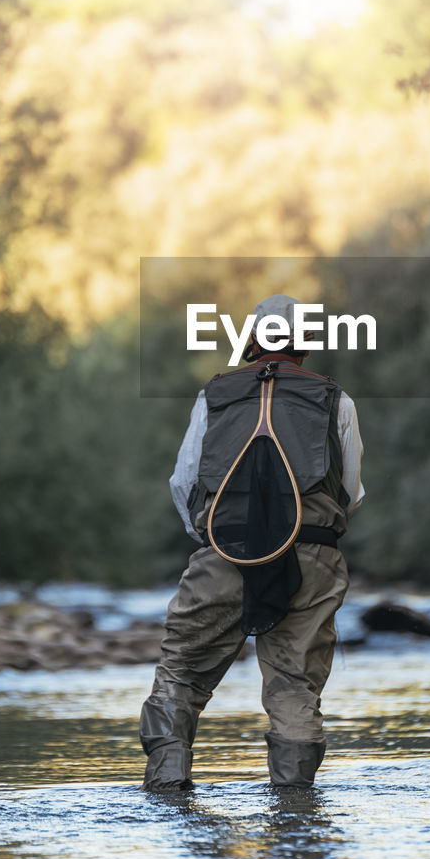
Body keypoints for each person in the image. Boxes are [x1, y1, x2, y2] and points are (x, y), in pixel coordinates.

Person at [139, 292, 364, 791]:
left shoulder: (214, 395)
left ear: (252, 343)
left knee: (180, 674)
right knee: (294, 687)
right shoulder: (335, 399)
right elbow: (350, 493)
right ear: (304, 344)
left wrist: (214, 539)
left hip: (224, 551)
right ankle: (294, 815)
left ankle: (167, 795)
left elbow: (183, 483)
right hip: (312, 558)